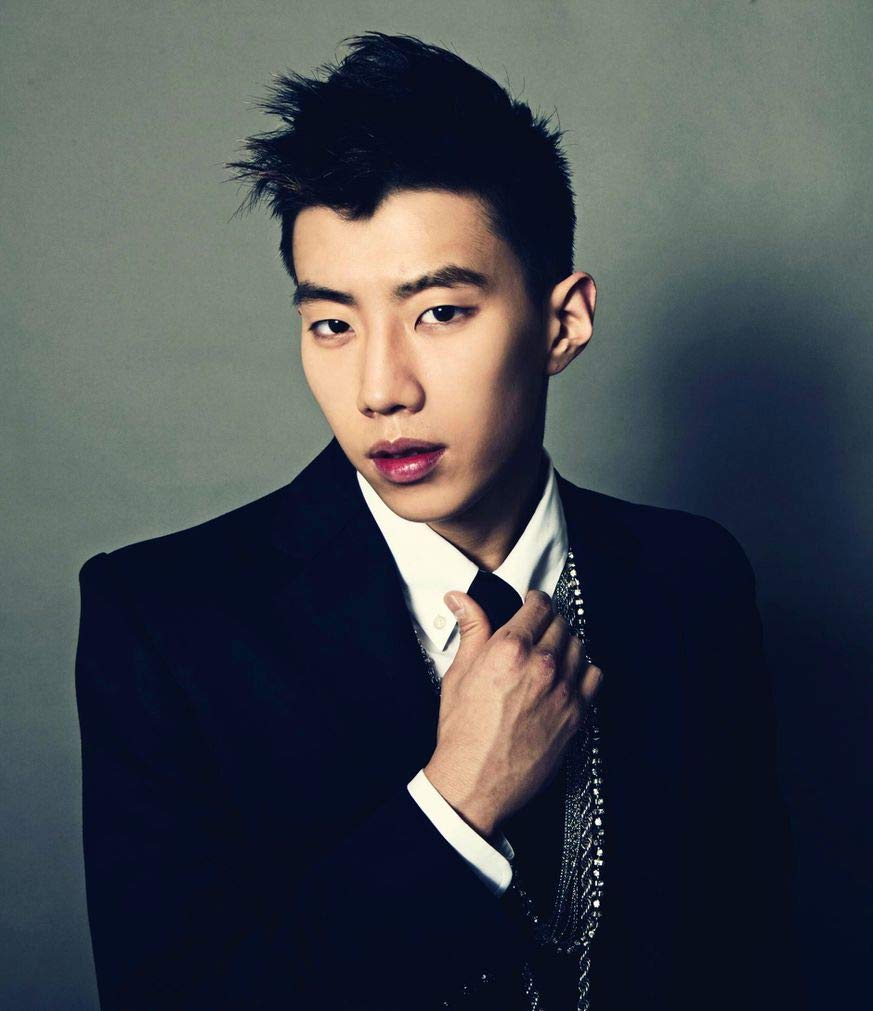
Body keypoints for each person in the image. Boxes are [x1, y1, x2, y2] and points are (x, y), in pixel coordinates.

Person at [75, 31, 805, 1011]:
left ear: (562, 323)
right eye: (332, 323)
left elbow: (753, 957)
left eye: (440, 313)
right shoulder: (165, 624)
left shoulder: (692, 579)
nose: (381, 389)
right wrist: (456, 804)